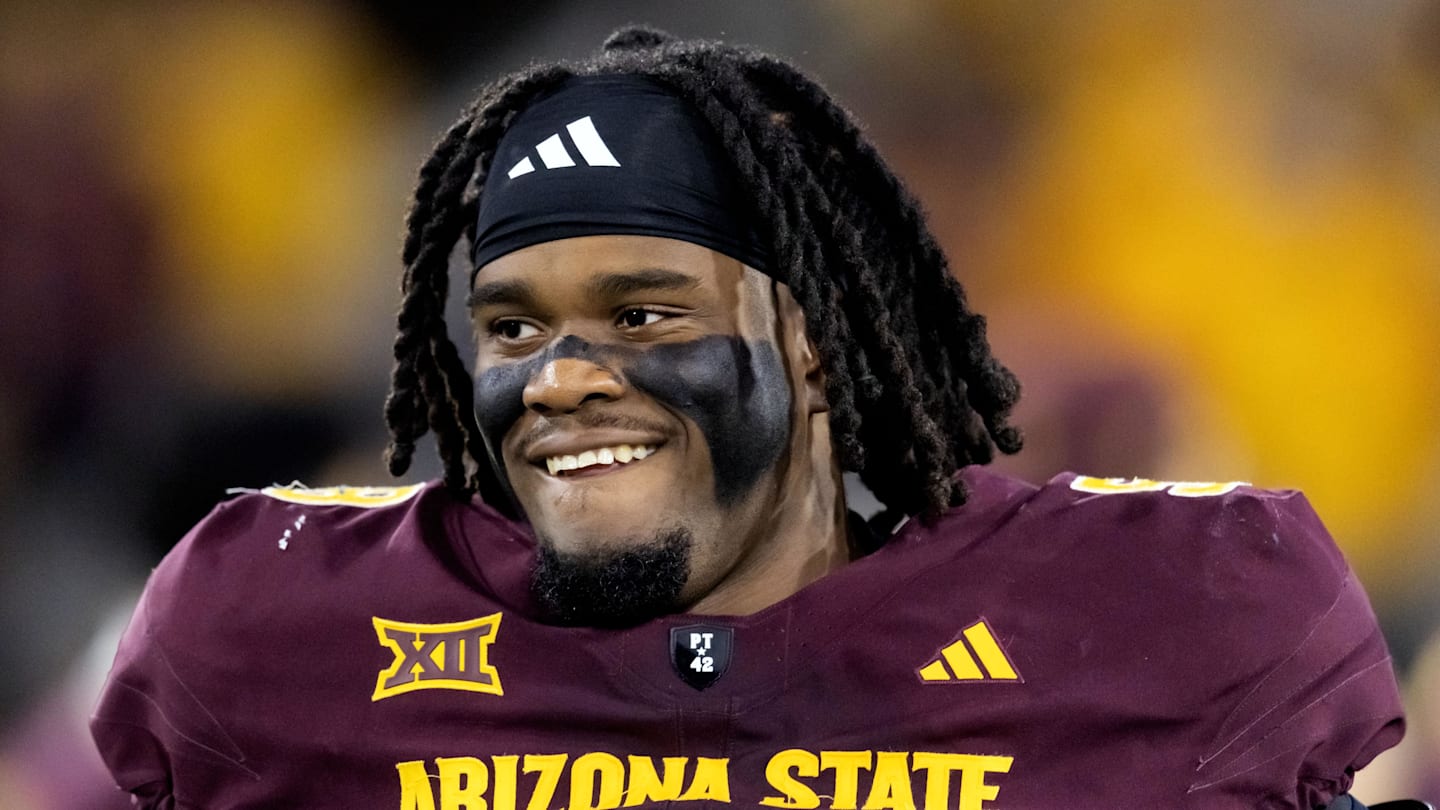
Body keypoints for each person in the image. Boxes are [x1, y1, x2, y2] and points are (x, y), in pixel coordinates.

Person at [90, 27, 1407, 809]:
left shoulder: (1175, 618)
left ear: (820, 348)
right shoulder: (279, 632)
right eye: (513, 326)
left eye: (648, 314)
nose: (559, 378)